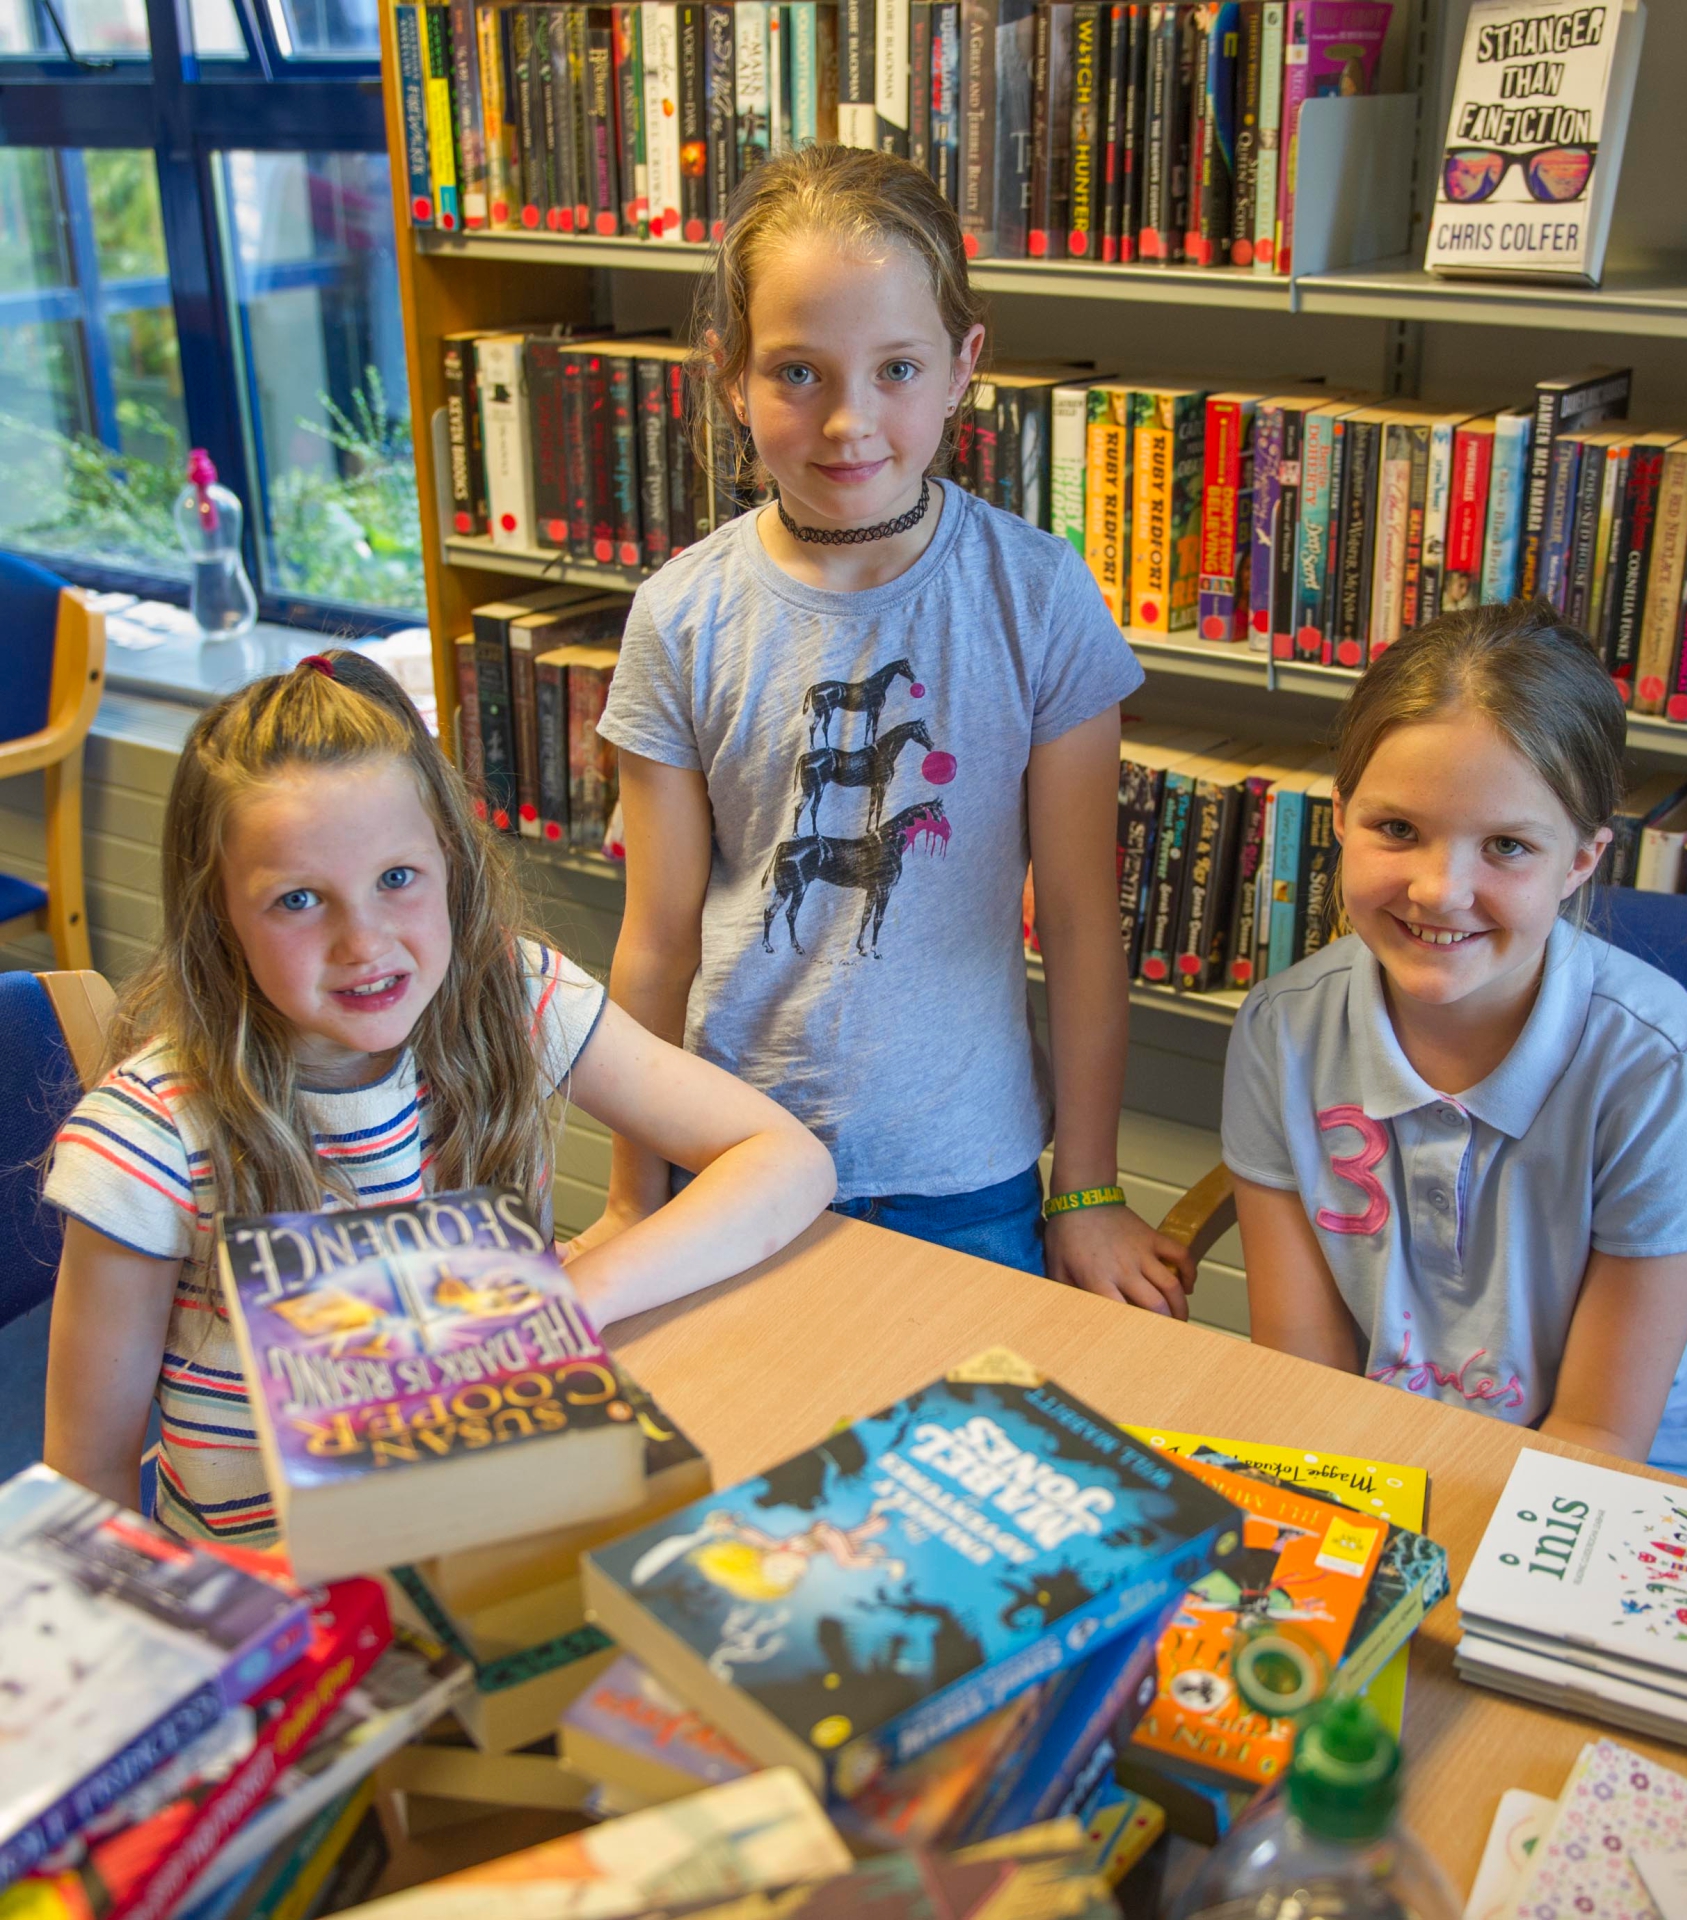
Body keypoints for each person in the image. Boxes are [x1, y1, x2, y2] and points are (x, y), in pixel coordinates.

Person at [586, 144, 1192, 1313]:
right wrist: (631, 1197)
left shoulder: (1038, 598)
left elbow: (1077, 920)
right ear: (728, 376)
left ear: (965, 365)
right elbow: (654, 944)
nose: (850, 422)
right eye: (798, 373)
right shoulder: (681, 617)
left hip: (966, 1175)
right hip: (733, 1157)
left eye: (897, 368)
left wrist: (1091, 1191)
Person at [41, 651, 835, 1541]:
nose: (363, 942)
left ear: (449, 862)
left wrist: (569, 1302)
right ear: (216, 912)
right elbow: (89, 1478)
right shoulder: (147, 1142)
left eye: (396, 879)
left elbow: (788, 1160)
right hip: (280, 1594)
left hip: (499, 1523)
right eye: (299, 900)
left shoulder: (512, 993)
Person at [1221, 602, 1687, 1483]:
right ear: (1341, 817)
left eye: (1505, 845)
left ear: (1579, 861)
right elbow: (1298, 1370)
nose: (1439, 891)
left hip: (1596, 1493)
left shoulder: (1663, 1074)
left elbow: (1598, 1437)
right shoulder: (1282, 1029)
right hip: (1369, 1468)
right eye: (1397, 829)